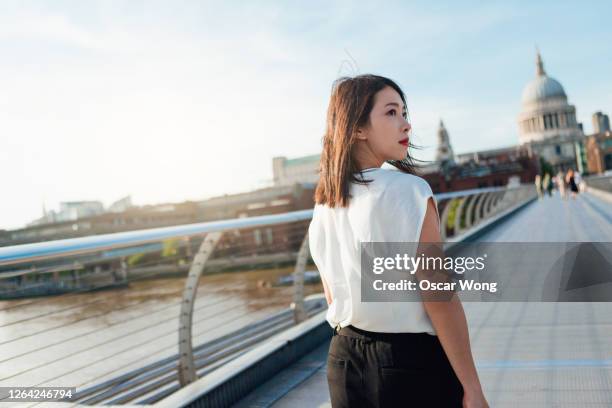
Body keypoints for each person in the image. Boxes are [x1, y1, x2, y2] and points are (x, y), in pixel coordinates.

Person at [308, 75, 488, 408]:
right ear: (358, 128)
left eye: (404, 112)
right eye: (391, 113)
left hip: (342, 360)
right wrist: (472, 387)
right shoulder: (409, 191)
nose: (406, 124)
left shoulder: (325, 201)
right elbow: (437, 295)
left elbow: (332, 292)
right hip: (406, 365)